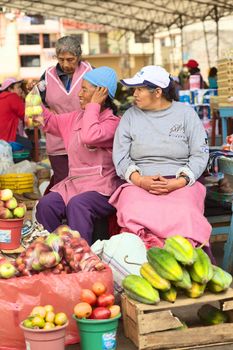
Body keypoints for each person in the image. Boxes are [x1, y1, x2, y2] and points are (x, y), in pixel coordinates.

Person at [109, 65, 212, 250]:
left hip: (181, 182)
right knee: (131, 205)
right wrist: (140, 180)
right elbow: (121, 156)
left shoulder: (186, 114)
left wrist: (180, 182)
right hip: (139, 182)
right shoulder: (130, 116)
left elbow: (200, 153)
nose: (135, 94)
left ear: (157, 92)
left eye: (140, 89)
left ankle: (185, 256)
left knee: (185, 210)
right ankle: (143, 253)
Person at [35, 67, 122, 245]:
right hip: (74, 186)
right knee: (46, 205)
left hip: (102, 189)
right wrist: (33, 98)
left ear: (101, 93)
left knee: (78, 205)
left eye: (84, 89)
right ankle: (55, 254)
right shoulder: (75, 118)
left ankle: (82, 258)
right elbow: (48, 121)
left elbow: (90, 135)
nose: (79, 94)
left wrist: (94, 106)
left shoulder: (113, 123)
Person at [38, 35, 92, 188]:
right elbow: (38, 102)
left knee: (83, 184)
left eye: (70, 59)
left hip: (85, 140)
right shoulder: (48, 76)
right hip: (57, 142)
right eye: (61, 59)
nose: (65, 64)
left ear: (78, 56)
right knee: (63, 185)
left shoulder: (90, 72)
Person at [0, 77, 32, 151]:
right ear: (10, 89)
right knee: (28, 145)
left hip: (2, 138)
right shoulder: (12, 96)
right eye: (18, 87)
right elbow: (26, 115)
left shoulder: (2, 98)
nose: (20, 90)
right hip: (6, 139)